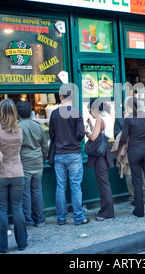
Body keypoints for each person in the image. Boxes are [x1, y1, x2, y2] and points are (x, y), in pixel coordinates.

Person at [0, 99, 28, 253]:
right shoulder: (20, 131)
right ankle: (22, 242)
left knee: (1, 210)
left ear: (0, 113)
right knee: (18, 208)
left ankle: (2, 245)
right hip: (17, 172)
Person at [49, 84, 90, 226]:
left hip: (59, 154)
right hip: (74, 154)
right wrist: (75, 140)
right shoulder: (77, 112)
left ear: (60, 96)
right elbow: (81, 133)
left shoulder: (54, 114)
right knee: (75, 186)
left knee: (60, 187)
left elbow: (51, 135)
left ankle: (61, 218)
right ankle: (78, 217)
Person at [119, 97, 145, 217]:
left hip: (134, 151)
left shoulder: (128, 120)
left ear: (129, 107)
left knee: (137, 181)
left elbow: (123, 139)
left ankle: (139, 211)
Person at [16, 101, 49, 227]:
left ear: (17, 113)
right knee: (37, 191)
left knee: (26, 192)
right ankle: (40, 219)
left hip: (24, 162)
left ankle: (28, 220)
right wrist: (42, 158)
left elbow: (16, 147)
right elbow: (44, 145)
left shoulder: (18, 127)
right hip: (38, 162)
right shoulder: (38, 125)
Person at [85, 99, 115, 221]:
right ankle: (105, 210)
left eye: (90, 109)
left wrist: (86, 131)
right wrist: (92, 126)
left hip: (100, 157)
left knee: (103, 184)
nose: (89, 112)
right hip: (105, 155)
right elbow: (99, 135)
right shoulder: (106, 118)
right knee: (104, 183)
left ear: (94, 109)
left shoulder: (99, 120)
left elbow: (93, 137)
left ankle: (107, 212)